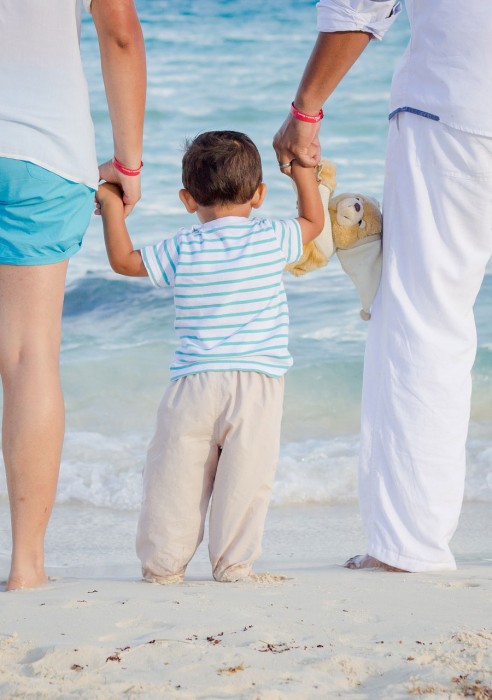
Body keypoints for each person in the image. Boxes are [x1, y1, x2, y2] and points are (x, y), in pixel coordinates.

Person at [274, 0, 492, 572]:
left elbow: (359, 7)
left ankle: (409, 546)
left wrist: (306, 110)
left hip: (460, 108)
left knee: (425, 318)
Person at [96, 130, 324, 582]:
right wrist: (303, 172)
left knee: (174, 475)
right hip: (257, 382)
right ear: (258, 195)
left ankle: (163, 566)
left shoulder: (182, 247)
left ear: (187, 199)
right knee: (246, 478)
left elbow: (123, 261)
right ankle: (233, 565)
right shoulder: (273, 238)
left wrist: (109, 204)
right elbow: (313, 222)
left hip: (193, 383)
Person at [0, 0, 146, 590]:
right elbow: (119, 32)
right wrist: (128, 164)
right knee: (29, 356)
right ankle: (26, 566)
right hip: (44, 148)